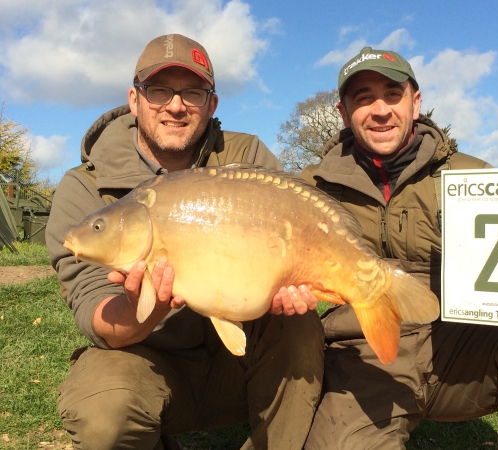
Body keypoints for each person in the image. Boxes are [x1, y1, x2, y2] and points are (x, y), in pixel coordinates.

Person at [291, 47, 498, 449]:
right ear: (344, 113)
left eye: (392, 93)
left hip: (461, 349)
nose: (380, 109)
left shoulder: (471, 174)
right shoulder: (310, 189)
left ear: (415, 102)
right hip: (366, 356)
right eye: (363, 97)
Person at [46, 34, 324, 450]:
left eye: (191, 92)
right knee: (102, 412)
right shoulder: (84, 189)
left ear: (211, 104)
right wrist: (145, 306)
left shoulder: (247, 159)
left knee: (299, 325)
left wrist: (297, 278)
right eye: (159, 90)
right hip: (148, 362)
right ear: (134, 98)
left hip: (240, 359)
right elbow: (95, 314)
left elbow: (295, 232)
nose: (175, 105)